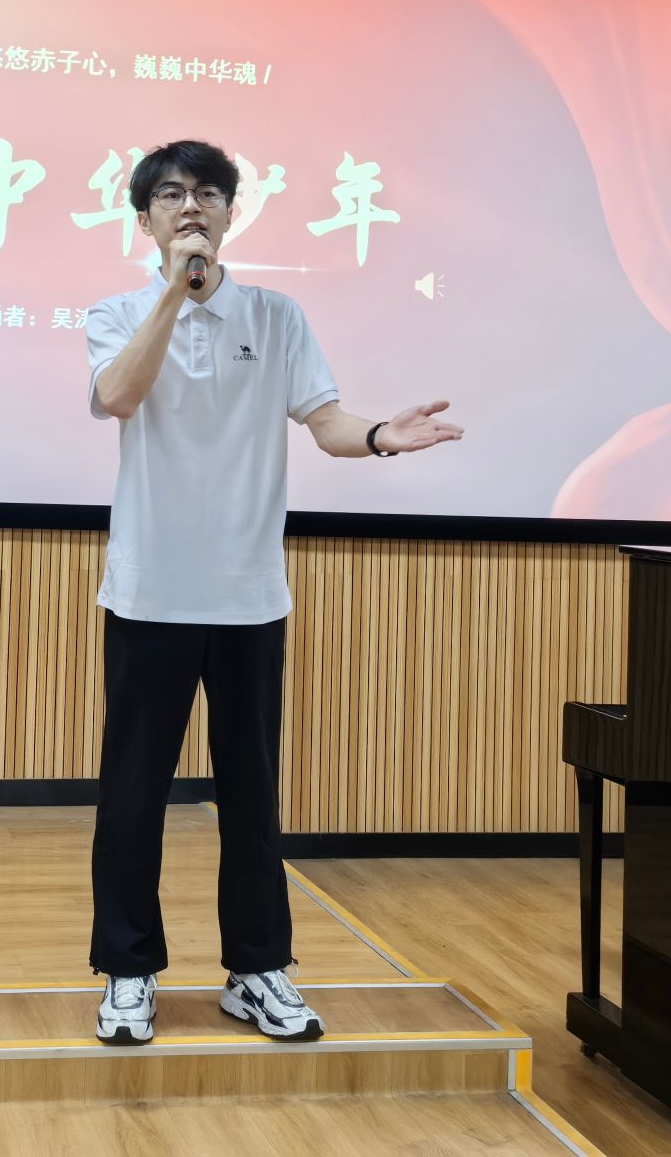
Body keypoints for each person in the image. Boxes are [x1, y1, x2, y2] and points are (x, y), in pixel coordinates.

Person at [84, 139, 462, 1046]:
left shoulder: (277, 316)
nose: (191, 207)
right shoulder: (117, 313)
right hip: (150, 593)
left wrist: (380, 434)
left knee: (252, 796)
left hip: (249, 596)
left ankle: (257, 969)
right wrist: (175, 294)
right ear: (145, 219)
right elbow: (120, 396)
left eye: (208, 194)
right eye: (170, 195)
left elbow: (324, 421)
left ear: (230, 213)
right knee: (134, 793)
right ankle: (129, 971)